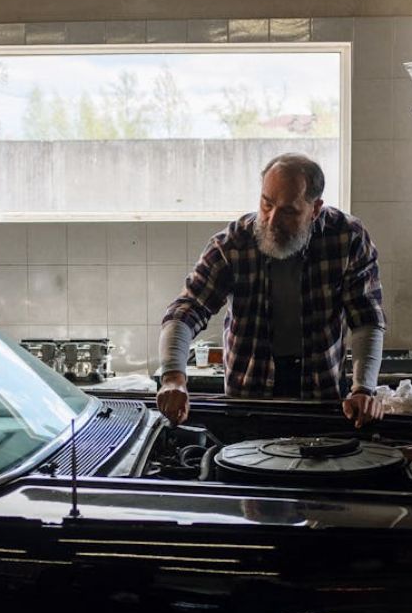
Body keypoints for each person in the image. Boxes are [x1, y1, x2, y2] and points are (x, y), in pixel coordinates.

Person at [157, 153, 386, 428]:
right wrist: (173, 377)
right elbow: (186, 310)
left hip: (320, 397)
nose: (272, 219)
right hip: (249, 401)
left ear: (315, 209)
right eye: (267, 204)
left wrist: (363, 389)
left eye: (289, 211)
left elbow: (366, 319)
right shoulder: (232, 244)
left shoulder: (348, 238)